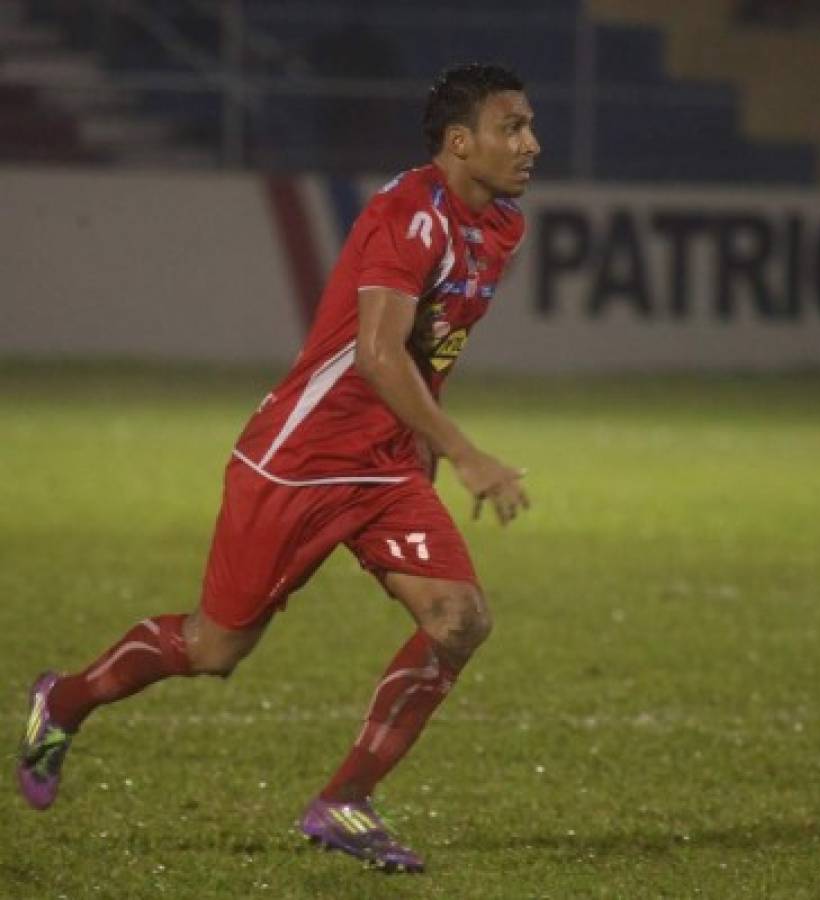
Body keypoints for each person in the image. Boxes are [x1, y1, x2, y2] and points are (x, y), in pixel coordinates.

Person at [16, 62, 540, 875]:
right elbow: (375, 355)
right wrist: (467, 452)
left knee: (460, 618)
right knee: (213, 650)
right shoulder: (406, 216)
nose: (530, 142)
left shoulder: (503, 224)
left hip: (387, 466)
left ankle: (344, 801)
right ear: (459, 142)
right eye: (512, 127)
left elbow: (426, 350)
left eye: (530, 125)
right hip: (298, 464)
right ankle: (65, 700)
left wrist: (426, 446)